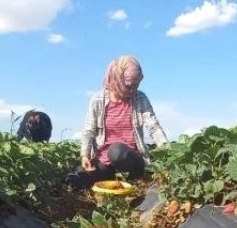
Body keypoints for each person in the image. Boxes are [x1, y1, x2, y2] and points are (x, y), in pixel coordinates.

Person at [65, 55, 169, 190]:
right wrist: (85, 154)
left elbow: (154, 127)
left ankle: (135, 181)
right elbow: (89, 130)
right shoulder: (98, 100)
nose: (133, 91)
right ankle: (112, 180)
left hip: (131, 162)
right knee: (77, 176)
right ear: (117, 80)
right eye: (129, 86)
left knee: (116, 152)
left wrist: (167, 151)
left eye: (136, 86)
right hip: (105, 163)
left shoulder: (140, 98)